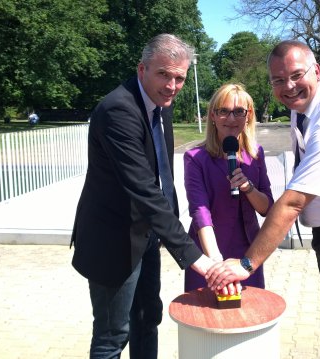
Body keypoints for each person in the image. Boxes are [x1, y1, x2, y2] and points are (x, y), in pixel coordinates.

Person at [205, 40, 320, 358]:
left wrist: (247, 263)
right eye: (278, 80)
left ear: (316, 71)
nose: (289, 87)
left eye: (296, 75)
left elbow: (293, 202)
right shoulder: (303, 108)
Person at [70, 34, 224, 359]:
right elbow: (143, 188)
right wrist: (195, 256)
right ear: (143, 68)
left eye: (179, 78)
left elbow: (163, 179)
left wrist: (172, 233)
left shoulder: (161, 106)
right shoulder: (118, 110)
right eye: (163, 74)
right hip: (112, 240)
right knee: (113, 337)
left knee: (147, 318)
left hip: (146, 235)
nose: (172, 85)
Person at [183, 83, 274, 292]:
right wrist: (215, 261)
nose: (231, 119)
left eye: (239, 112)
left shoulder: (255, 153)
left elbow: (267, 208)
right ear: (212, 116)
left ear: (248, 116)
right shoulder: (195, 158)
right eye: (223, 111)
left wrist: (247, 187)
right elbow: (199, 211)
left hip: (248, 254)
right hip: (209, 251)